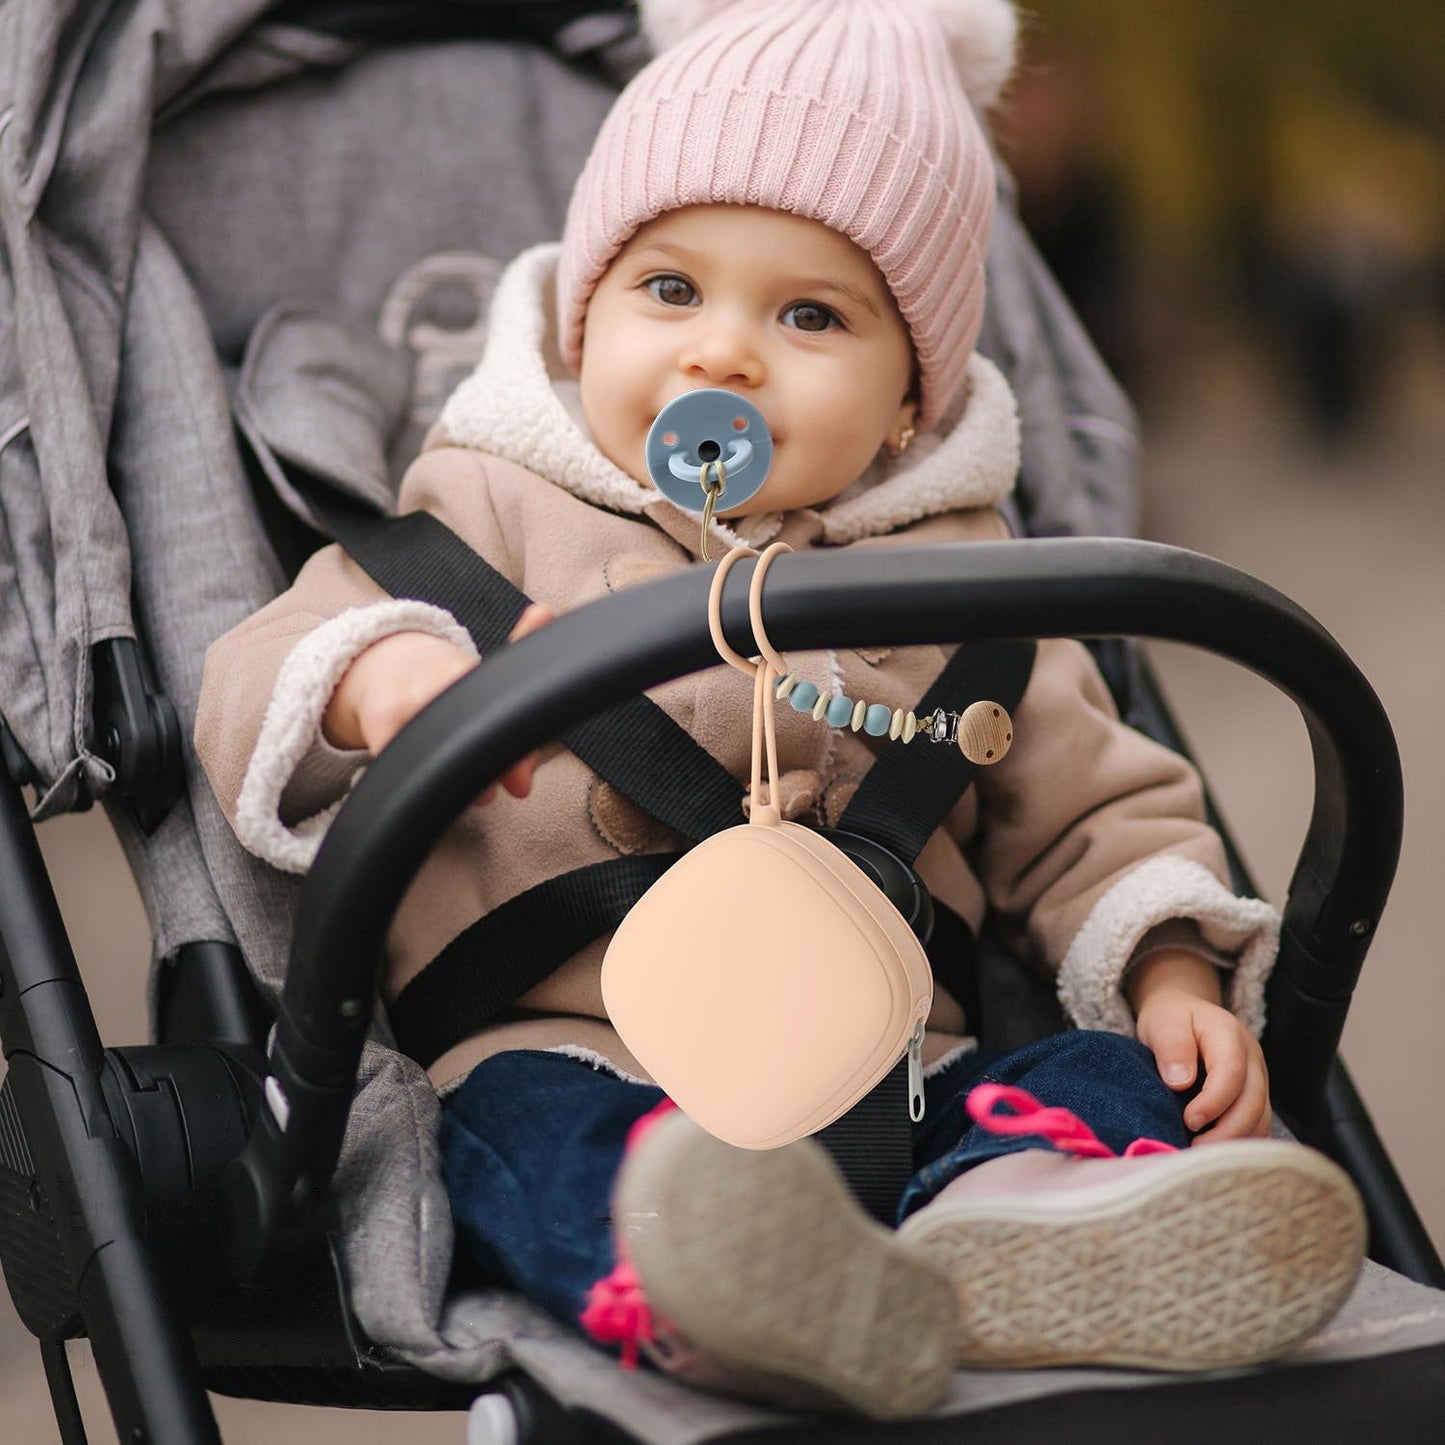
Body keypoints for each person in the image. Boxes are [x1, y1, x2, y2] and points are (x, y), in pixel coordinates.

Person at [194, 0, 1364, 1421]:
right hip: (576, 1045)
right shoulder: (488, 507)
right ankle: (719, 1285)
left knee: (1107, 1081)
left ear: (905, 409)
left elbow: (1094, 809)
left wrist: (1173, 974)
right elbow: (266, 659)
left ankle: (1033, 1225)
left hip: (901, 1068)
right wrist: (388, 680)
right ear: (586, 312)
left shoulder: (964, 577)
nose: (726, 355)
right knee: (523, 1144)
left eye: (810, 315)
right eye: (670, 290)